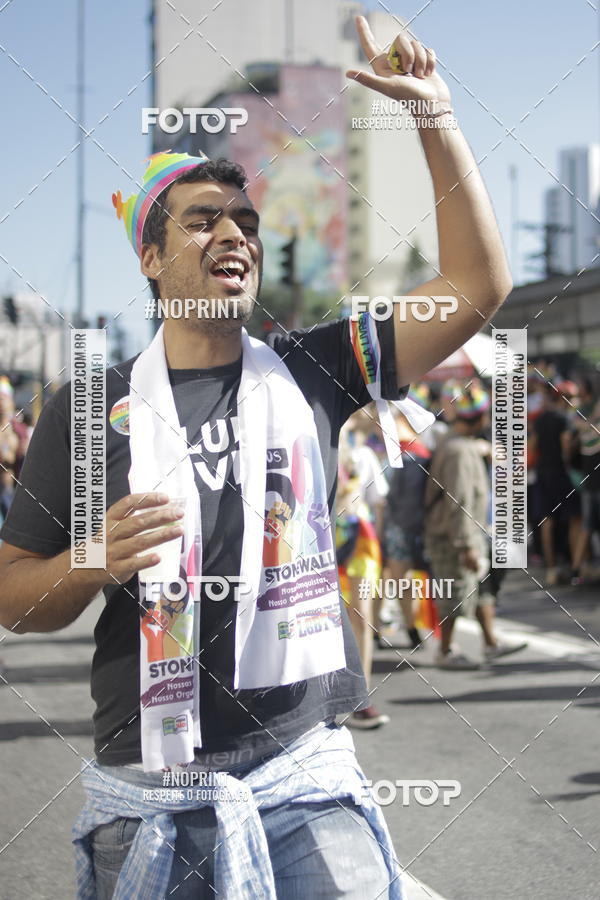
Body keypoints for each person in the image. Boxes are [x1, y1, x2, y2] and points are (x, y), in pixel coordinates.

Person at [0, 16, 513, 898]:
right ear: (153, 259)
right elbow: (14, 596)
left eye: (245, 219)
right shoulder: (90, 411)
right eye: (205, 222)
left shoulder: (319, 365)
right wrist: (93, 560)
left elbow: (477, 287)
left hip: (304, 772)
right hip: (152, 785)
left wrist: (435, 117)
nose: (236, 233)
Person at [424, 385, 526, 669]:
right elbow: (459, 502)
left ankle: (491, 642)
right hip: (453, 537)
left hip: (465, 532)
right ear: (480, 419)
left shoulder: (458, 444)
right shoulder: (459, 451)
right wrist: (466, 544)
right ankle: (444, 651)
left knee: (481, 588)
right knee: (456, 593)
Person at [336, 410, 390, 728]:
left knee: (362, 613)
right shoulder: (322, 446)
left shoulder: (366, 454)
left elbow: (377, 501)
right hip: (326, 538)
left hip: (362, 542)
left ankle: (362, 695)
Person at [530, 380, 581, 586]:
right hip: (560, 472)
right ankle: (574, 563)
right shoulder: (564, 419)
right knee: (574, 517)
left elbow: (532, 446)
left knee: (547, 520)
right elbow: (566, 446)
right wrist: (570, 456)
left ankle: (551, 567)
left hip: (543, 472)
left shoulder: (540, 419)